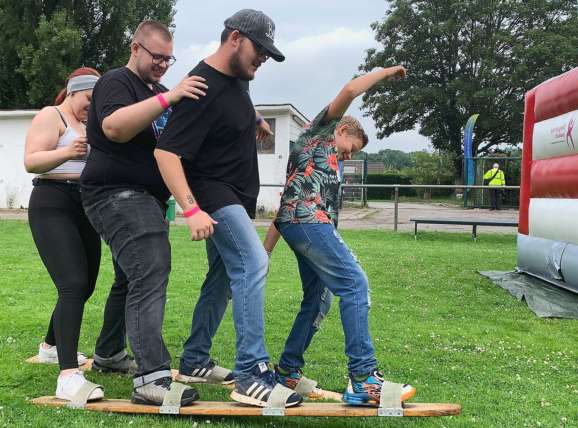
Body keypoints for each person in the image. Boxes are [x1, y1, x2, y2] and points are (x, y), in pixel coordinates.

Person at [154, 9, 303, 408]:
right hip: (214, 196)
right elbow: (166, 153)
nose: (264, 59)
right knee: (254, 263)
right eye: (260, 50)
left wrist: (253, 119)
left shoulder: (236, 80)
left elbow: (226, 109)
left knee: (222, 278)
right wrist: (191, 209)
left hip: (234, 196)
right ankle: (252, 373)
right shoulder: (201, 85)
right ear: (235, 38)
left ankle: (195, 359)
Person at [260, 65, 417, 407]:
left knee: (319, 298)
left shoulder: (324, 163)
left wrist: (266, 252)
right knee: (355, 284)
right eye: (350, 149)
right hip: (307, 223)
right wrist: (387, 72)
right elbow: (349, 89)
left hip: (299, 224)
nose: (348, 156)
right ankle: (363, 378)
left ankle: (287, 371)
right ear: (343, 129)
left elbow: (287, 200)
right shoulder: (320, 131)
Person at [80, 20, 208, 406]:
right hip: (115, 193)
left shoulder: (160, 92)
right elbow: (115, 127)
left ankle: (107, 353)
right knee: (151, 267)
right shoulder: (116, 82)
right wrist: (170, 97)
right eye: (157, 57)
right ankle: (151, 378)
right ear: (135, 47)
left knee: (129, 277)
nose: (164, 66)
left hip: (146, 197)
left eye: (169, 59)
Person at [25, 67, 132, 404]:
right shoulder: (51, 115)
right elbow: (31, 161)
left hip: (86, 204)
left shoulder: (90, 125)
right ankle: (68, 375)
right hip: (51, 201)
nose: (92, 106)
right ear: (74, 91)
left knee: (84, 286)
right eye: (89, 99)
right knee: (71, 283)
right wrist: (68, 152)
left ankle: (50, 347)